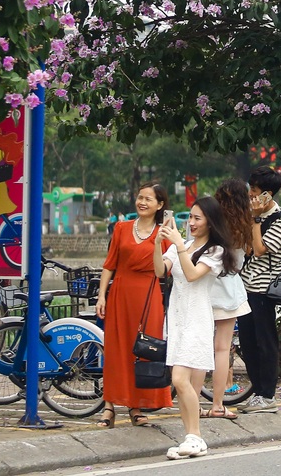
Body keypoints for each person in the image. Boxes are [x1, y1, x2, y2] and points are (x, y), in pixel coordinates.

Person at [154, 196, 236, 460]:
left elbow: (191, 275)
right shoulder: (184, 245)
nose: (190, 223)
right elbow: (159, 271)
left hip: (197, 320)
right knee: (183, 384)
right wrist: (158, 244)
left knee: (179, 379)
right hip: (177, 319)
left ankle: (196, 435)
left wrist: (178, 245)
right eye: (189, 217)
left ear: (210, 222)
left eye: (197, 218)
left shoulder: (216, 251)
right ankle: (190, 436)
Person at [95, 183, 172, 428]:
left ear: (159, 205)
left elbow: (171, 268)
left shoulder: (165, 233)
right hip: (120, 294)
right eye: (140, 197)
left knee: (142, 351)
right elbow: (110, 264)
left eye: (149, 199)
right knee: (116, 350)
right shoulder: (121, 228)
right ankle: (109, 405)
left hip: (149, 298)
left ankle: (136, 404)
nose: (142, 202)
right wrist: (101, 295)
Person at [238, 167, 281, 414]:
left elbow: (259, 249)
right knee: (248, 343)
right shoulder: (253, 215)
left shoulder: (280, 220)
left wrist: (256, 220)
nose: (251, 196)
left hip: (264, 290)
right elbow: (247, 248)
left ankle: (267, 395)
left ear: (268, 195)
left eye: (255, 192)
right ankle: (257, 391)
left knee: (265, 342)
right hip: (245, 287)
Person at [206, 178, 252, 419]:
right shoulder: (245, 224)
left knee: (199, 346)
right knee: (222, 349)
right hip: (231, 287)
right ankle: (217, 404)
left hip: (205, 285)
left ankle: (192, 401)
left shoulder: (212, 222)